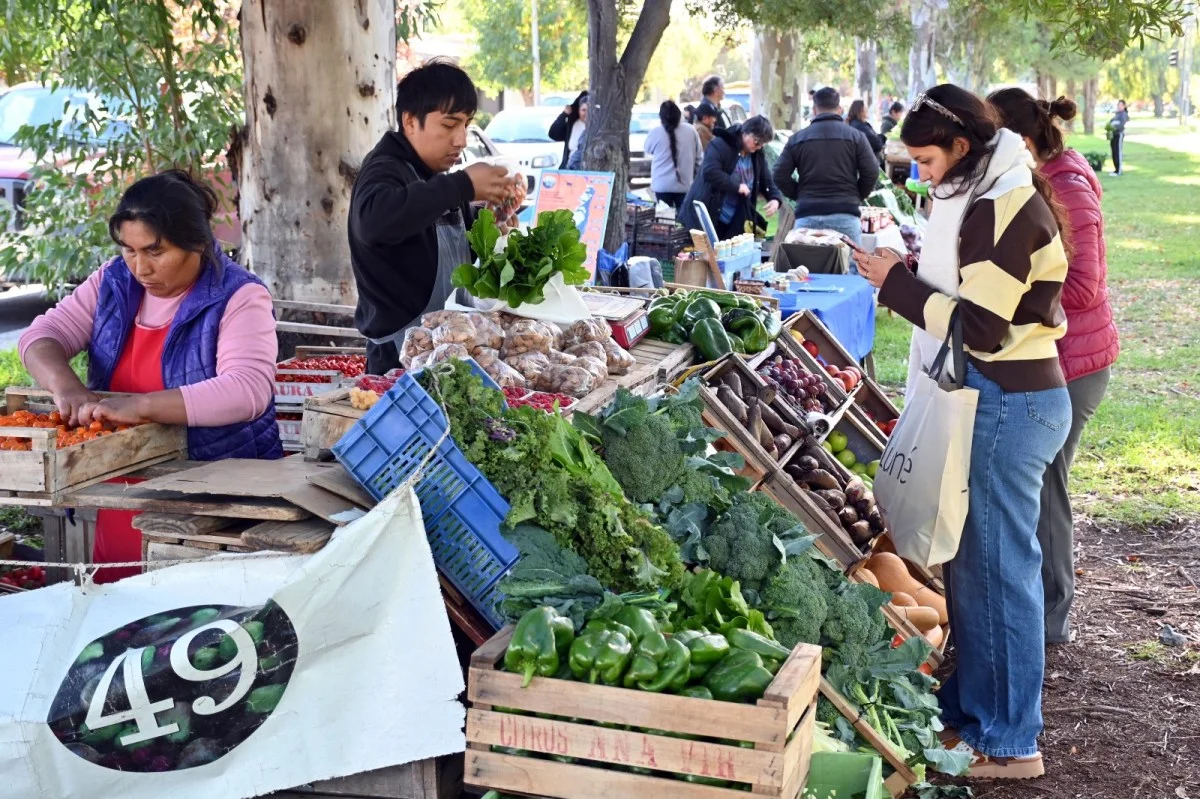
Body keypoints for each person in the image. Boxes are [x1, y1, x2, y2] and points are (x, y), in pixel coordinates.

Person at [854, 84, 1072, 779]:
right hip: (1001, 395)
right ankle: (977, 713)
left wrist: (898, 283)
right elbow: (977, 304)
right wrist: (907, 276)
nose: (919, 174)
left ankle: (1010, 742)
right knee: (974, 569)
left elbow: (982, 327)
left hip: (1010, 399)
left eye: (925, 160)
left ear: (961, 148)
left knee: (1001, 572)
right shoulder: (987, 195)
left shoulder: (1002, 207)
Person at [19, 170, 283, 582]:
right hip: (120, 493)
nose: (141, 267)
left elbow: (247, 389)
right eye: (129, 250)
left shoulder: (239, 296)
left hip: (206, 508)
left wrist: (140, 406)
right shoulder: (114, 282)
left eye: (156, 252)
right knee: (118, 623)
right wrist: (66, 387)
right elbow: (41, 336)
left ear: (196, 242)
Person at [989, 88, 1119, 645]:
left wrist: (1012, 293)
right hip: (1059, 358)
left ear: (1018, 139)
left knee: (1044, 488)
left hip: (1075, 364)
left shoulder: (1065, 185)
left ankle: (1048, 621)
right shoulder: (1049, 173)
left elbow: (1085, 285)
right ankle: (1040, 612)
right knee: (1040, 486)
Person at [348, 60, 513, 375]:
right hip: (399, 364)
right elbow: (374, 223)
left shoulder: (436, 177)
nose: (461, 139)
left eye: (466, 124)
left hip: (449, 353)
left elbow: (447, 246)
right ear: (410, 121)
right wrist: (462, 184)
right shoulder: (384, 169)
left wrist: (493, 229)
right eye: (450, 125)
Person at [773, 87, 879, 247]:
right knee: (850, 269)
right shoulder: (856, 137)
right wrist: (856, 195)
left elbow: (779, 174)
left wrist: (800, 194)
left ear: (815, 109)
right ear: (840, 109)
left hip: (808, 215)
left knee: (805, 270)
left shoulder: (798, 139)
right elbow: (871, 172)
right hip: (845, 214)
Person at [678, 115, 782, 239]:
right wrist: (737, 186)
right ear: (746, 133)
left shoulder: (757, 154)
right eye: (757, 142)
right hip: (709, 214)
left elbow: (766, 179)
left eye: (762, 144)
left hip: (735, 219)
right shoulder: (720, 144)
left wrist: (775, 198)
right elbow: (710, 171)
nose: (759, 147)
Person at [645, 100, 703, 210]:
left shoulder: (655, 132)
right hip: (685, 185)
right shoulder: (691, 131)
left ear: (661, 117)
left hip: (661, 186)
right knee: (683, 224)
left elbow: (648, 149)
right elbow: (699, 159)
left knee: (665, 223)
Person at [548, 91, 588, 169]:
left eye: (590, 109)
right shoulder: (572, 125)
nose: (587, 113)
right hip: (571, 169)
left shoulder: (598, 129)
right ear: (578, 110)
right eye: (583, 110)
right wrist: (564, 115)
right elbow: (553, 134)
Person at [847, 99, 886, 165]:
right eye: (865, 108)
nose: (867, 110)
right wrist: (882, 137)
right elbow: (877, 144)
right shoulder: (860, 127)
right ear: (860, 111)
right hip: (868, 162)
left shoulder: (854, 123)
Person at [1107, 99, 1129, 175]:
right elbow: (1111, 122)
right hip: (1113, 135)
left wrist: (1114, 126)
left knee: (1118, 152)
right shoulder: (1117, 114)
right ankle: (1116, 169)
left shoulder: (1123, 114)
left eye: (1120, 105)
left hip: (1119, 134)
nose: (1119, 106)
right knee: (1114, 152)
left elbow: (1121, 124)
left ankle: (1119, 171)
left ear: (1124, 106)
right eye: (1118, 105)